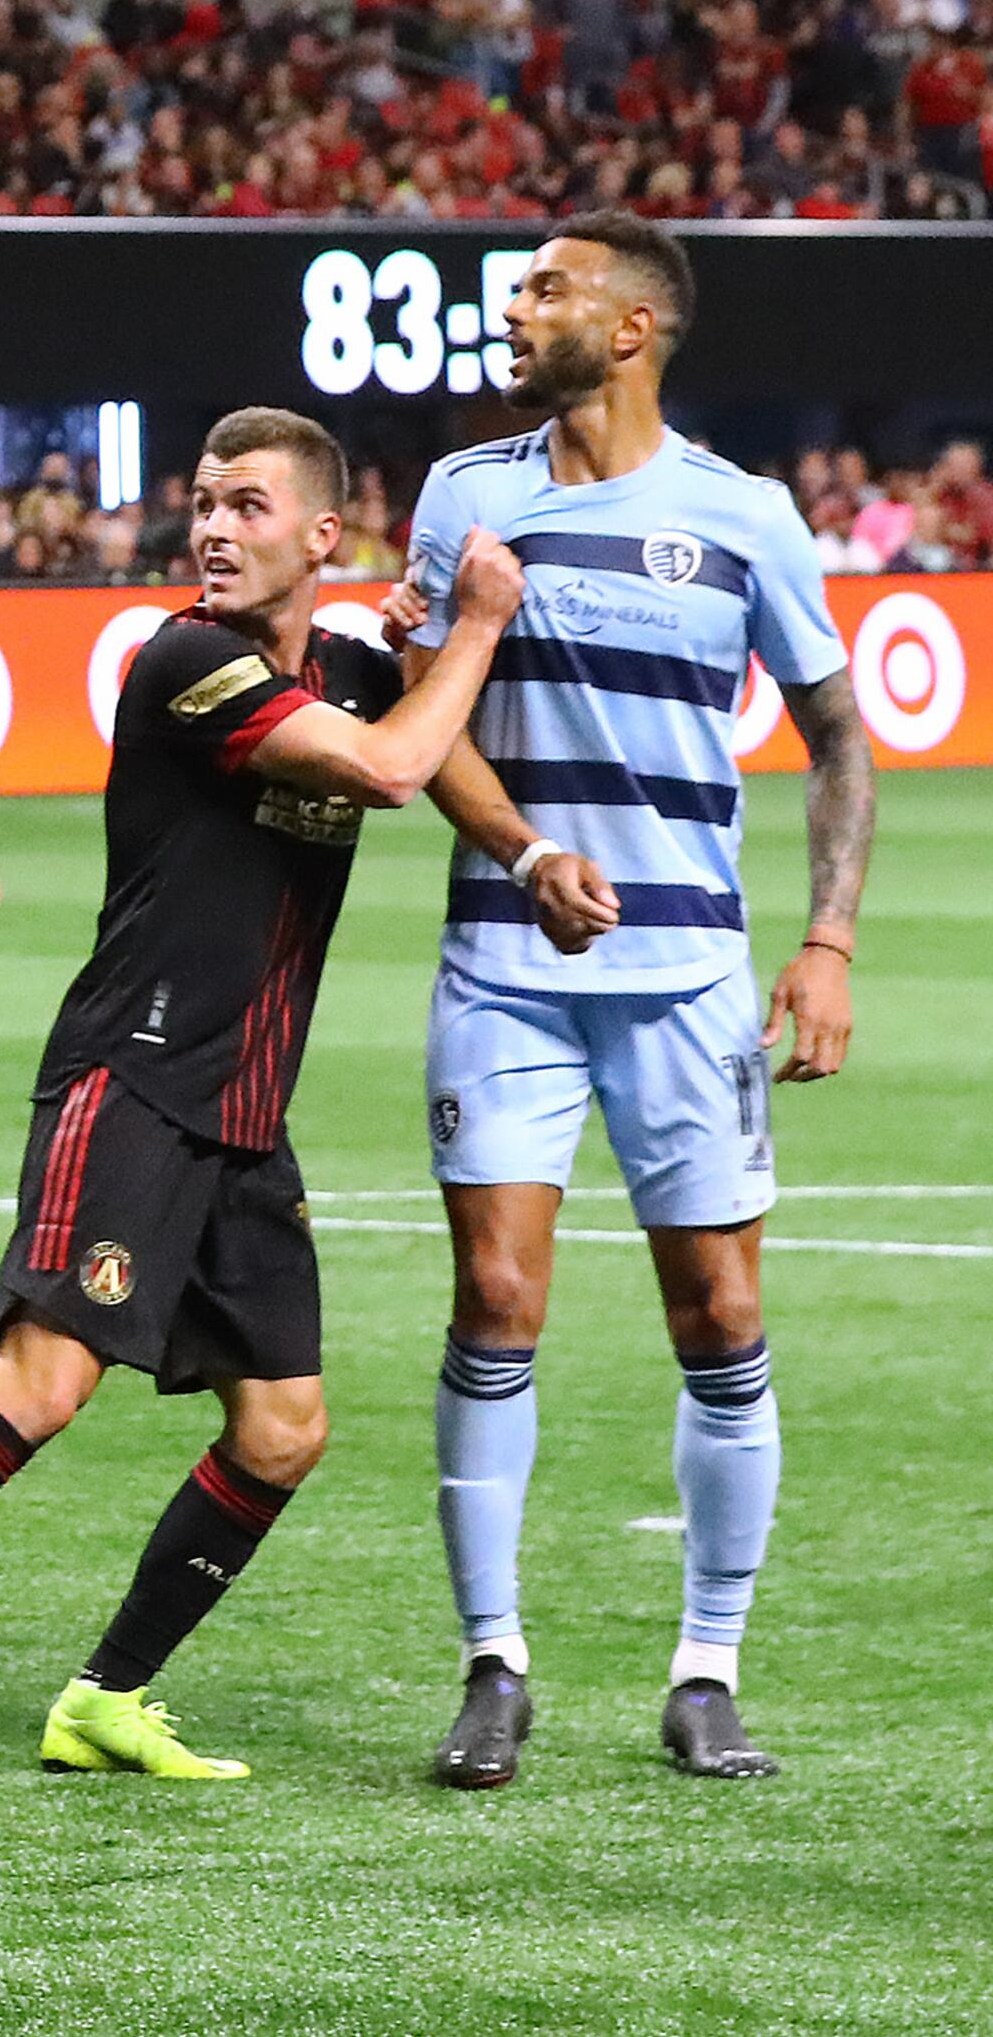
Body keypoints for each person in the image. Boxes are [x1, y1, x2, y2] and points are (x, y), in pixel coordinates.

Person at [0, 412, 526, 1779]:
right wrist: (477, 629)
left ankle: (106, 1695)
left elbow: (414, 736)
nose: (213, 527)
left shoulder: (340, 663)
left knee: (284, 1429)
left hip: (244, 1115)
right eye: (205, 503)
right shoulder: (185, 661)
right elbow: (394, 767)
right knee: (42, 1384)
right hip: (137, 1079)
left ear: (321, 535)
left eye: (249, 505)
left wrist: (514, 824)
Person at [402, 214, 872, 1788]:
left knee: (723, 1317)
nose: (516, 306)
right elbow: (426, 716)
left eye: (546, 287)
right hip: (504, 959)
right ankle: (492, 1662)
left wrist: (831, 940)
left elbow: (839, 733)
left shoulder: (743, 516)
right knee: (497, 1301)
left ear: (631, 330)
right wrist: (524, 846)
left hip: (692, 978)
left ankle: (708, 1665)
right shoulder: (467, 495)